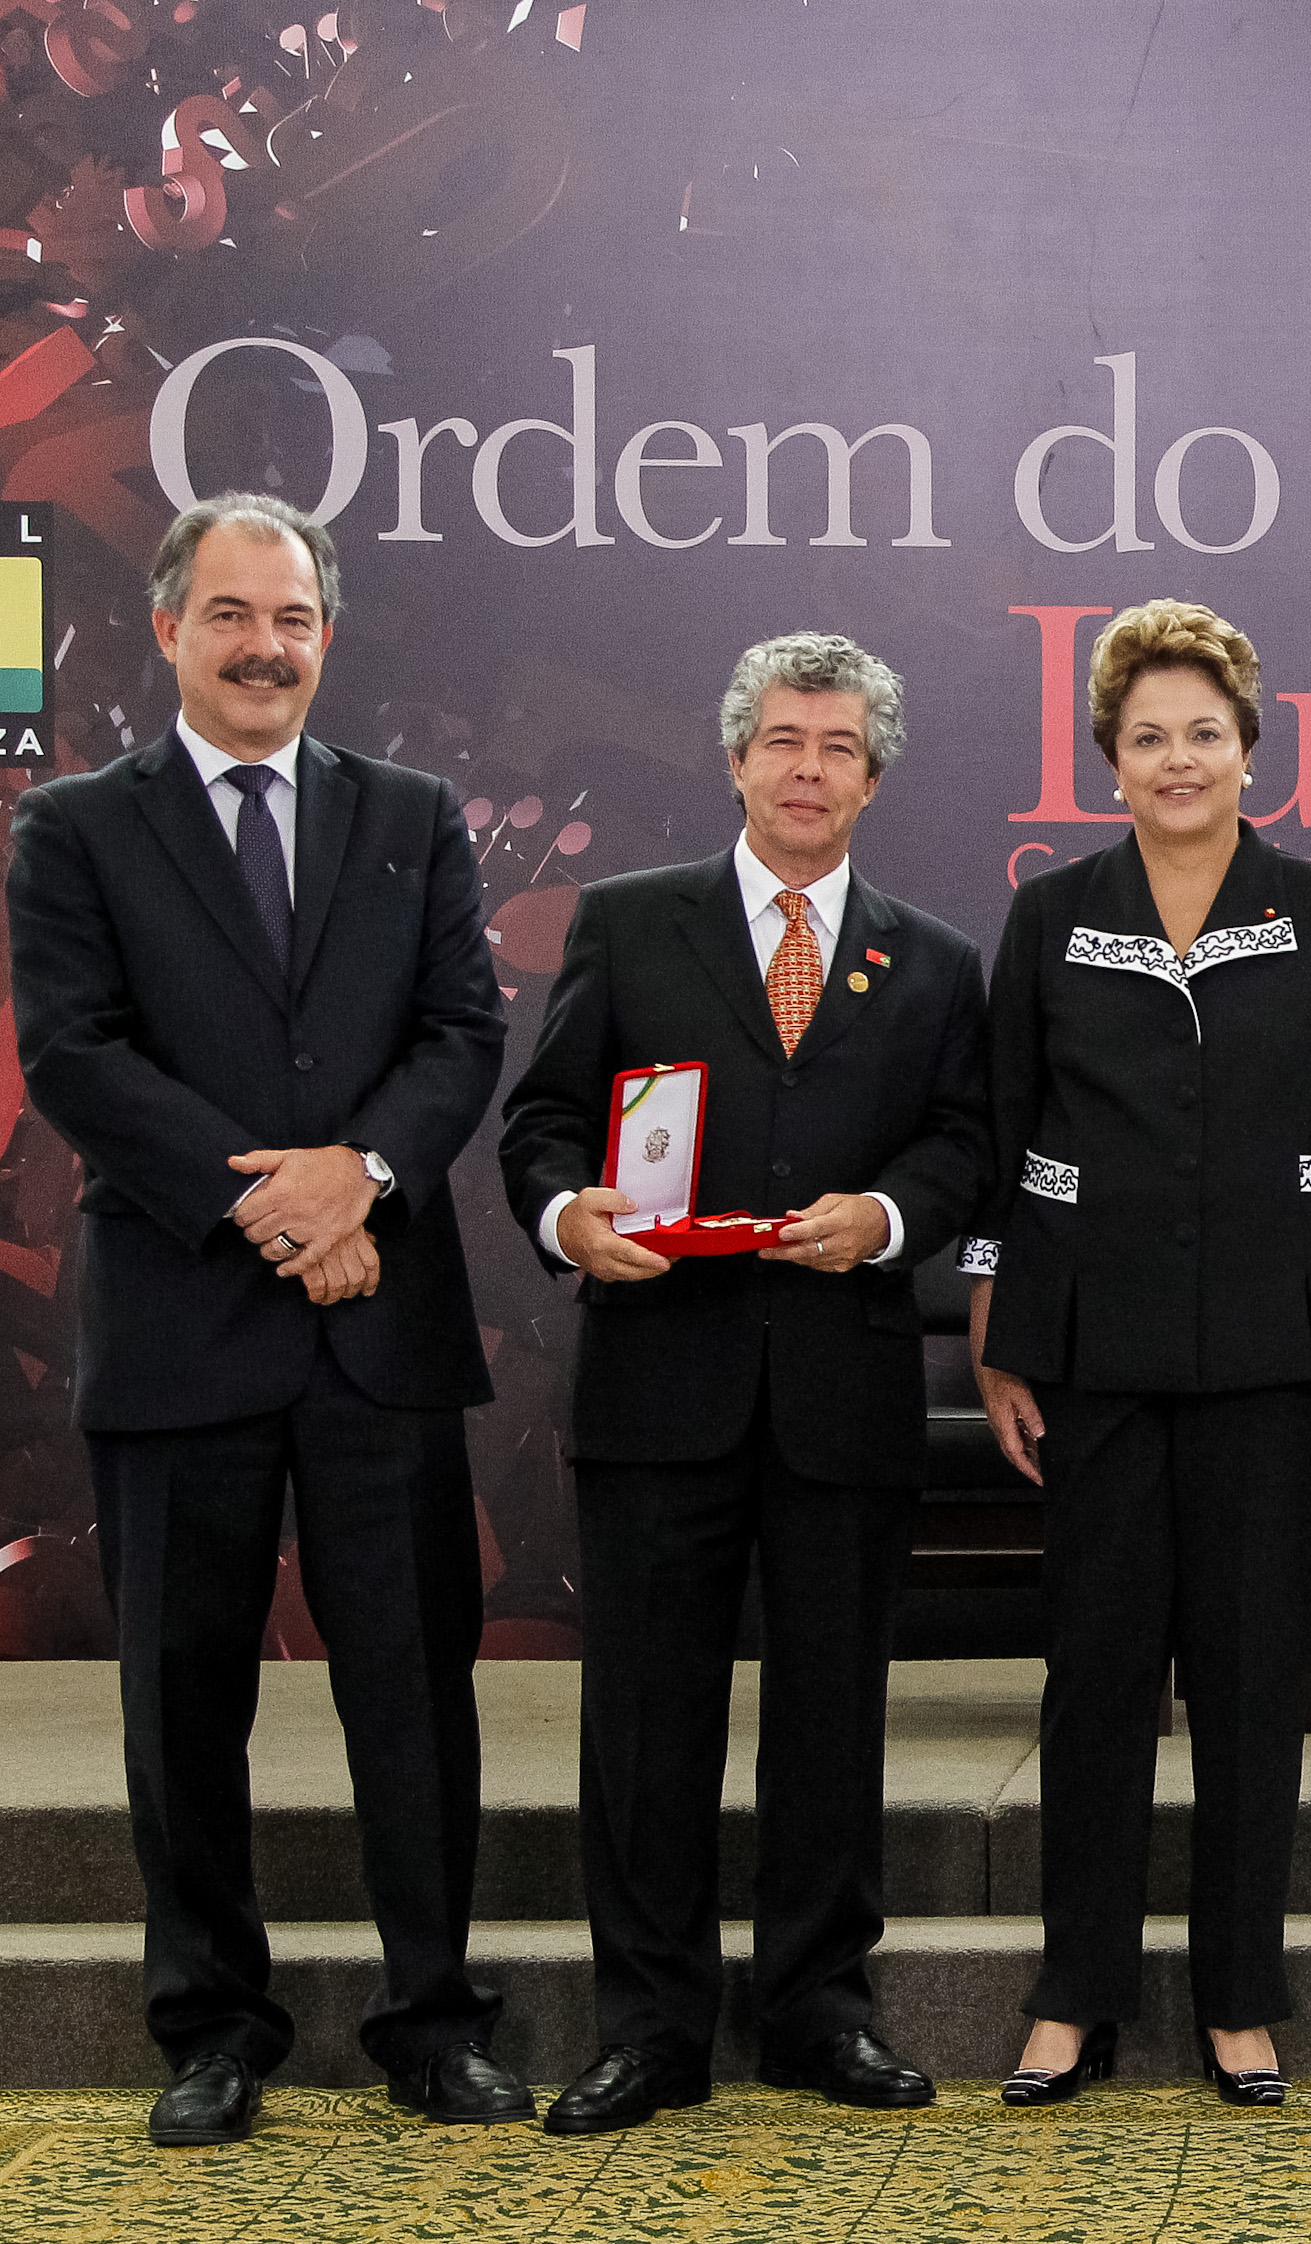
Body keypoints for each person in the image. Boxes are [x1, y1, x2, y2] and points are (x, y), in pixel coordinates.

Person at [6, 492, 519, 2144]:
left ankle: (433, 2018)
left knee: (415, 1695)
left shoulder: (413, 813)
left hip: (379, 1322)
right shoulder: (76, 827)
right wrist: (269, 1203)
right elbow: (77, 1056)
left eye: (292, 619)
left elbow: (459, 1035)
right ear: (167, 631)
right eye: (230, 615)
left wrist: (356, 1175)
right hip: (182, 1323)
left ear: (326, 636)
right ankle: (213, 2029)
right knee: (183, 1694)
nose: (264, 647)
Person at [497, 633, 988, 2135]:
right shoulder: (632, 927)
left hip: (841, 1392)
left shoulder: (937, 959)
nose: (807, 769)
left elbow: (962, 1145)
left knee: (832, 1719)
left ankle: (820, 2013)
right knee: (645, 1724)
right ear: (733, 757)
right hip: (660, 1389)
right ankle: (648, 2028)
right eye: (783, 739)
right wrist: (569, 1215)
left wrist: (892, 1220)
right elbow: (541, 1122)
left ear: (874, 774)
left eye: (838, 746)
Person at [968, 599, 1311, 2111]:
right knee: (1092, 1680)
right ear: (1110, 756)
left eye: (1205, 734)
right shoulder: (1047, 913)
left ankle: (1239, 1994)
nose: (1179, 758)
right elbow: (1007, 1149)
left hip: (1279, 1356)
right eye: (1149, 735)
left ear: (1250, 750)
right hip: (1093, 1356)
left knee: (1246, 1683)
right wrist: (999, 1332)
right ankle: (1071, 1992)